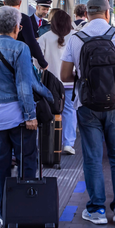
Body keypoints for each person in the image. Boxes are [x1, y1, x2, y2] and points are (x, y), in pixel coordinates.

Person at [60, 0, 115, 225]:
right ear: (108, 14)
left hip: (87, 106)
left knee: (93, 158)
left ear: (87, 14)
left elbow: (64, 75)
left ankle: (96, 210)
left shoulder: (76, 38)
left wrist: (84, 78)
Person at [0, 6, 54, 224]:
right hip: (18, 116)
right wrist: (30, 115)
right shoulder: (20, 48)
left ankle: (5, 212)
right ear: (16, 28)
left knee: (2, 165)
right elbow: (23, 85)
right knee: (27, 161)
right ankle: (26, 210)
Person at [38, 9, 77, 155]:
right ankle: (68, 143)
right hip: (69, 83)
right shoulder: (75, 37)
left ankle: (51, 141)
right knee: (69, 111)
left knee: (49, 112)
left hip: (49, 84)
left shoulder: (45, 38)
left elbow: (37, 61)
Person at [0, 0, 48, 70]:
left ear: (4, 3)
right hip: (19, 65)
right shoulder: (24, 19)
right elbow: (31, 43)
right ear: (20, 3)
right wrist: (43, 63)